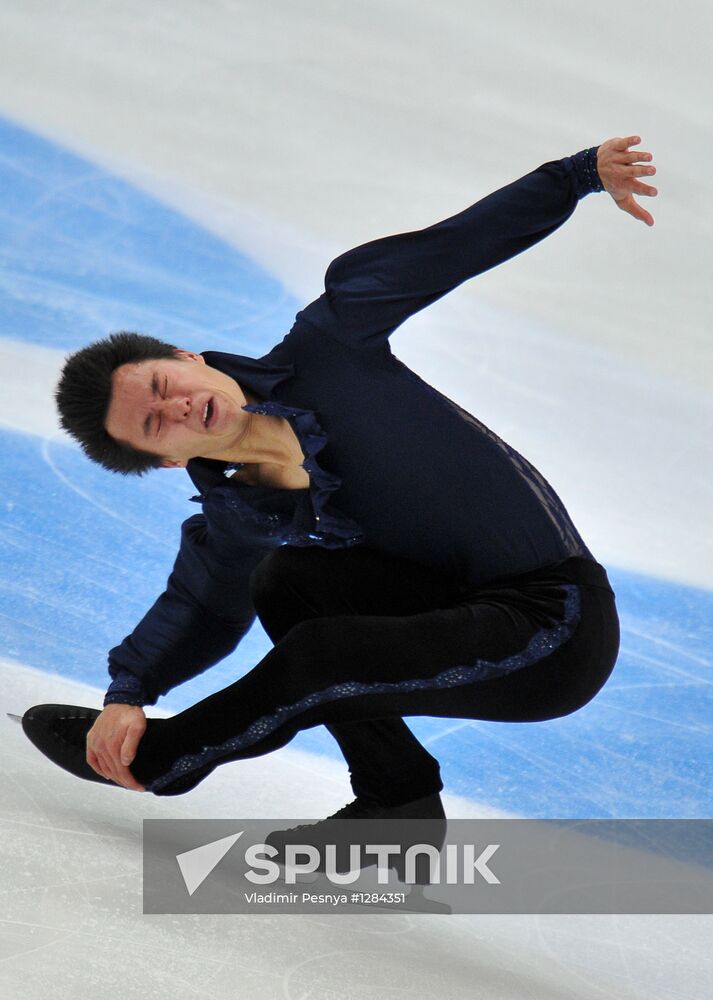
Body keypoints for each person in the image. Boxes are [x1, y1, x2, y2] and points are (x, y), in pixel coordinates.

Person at [24, 136, 656, 840]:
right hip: (459, 609)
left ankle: (163, 764)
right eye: (153, 424)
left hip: (555, 625)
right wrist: (128, 694)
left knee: (323, 656)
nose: (173, 407)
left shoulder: (329, 344)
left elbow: (448, 249)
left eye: (164, 387)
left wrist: (572, 177)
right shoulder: (241, 510)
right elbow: (198, 606)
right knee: (286, 580)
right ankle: (397, 802)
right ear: (167, 461)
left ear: (185, 358)